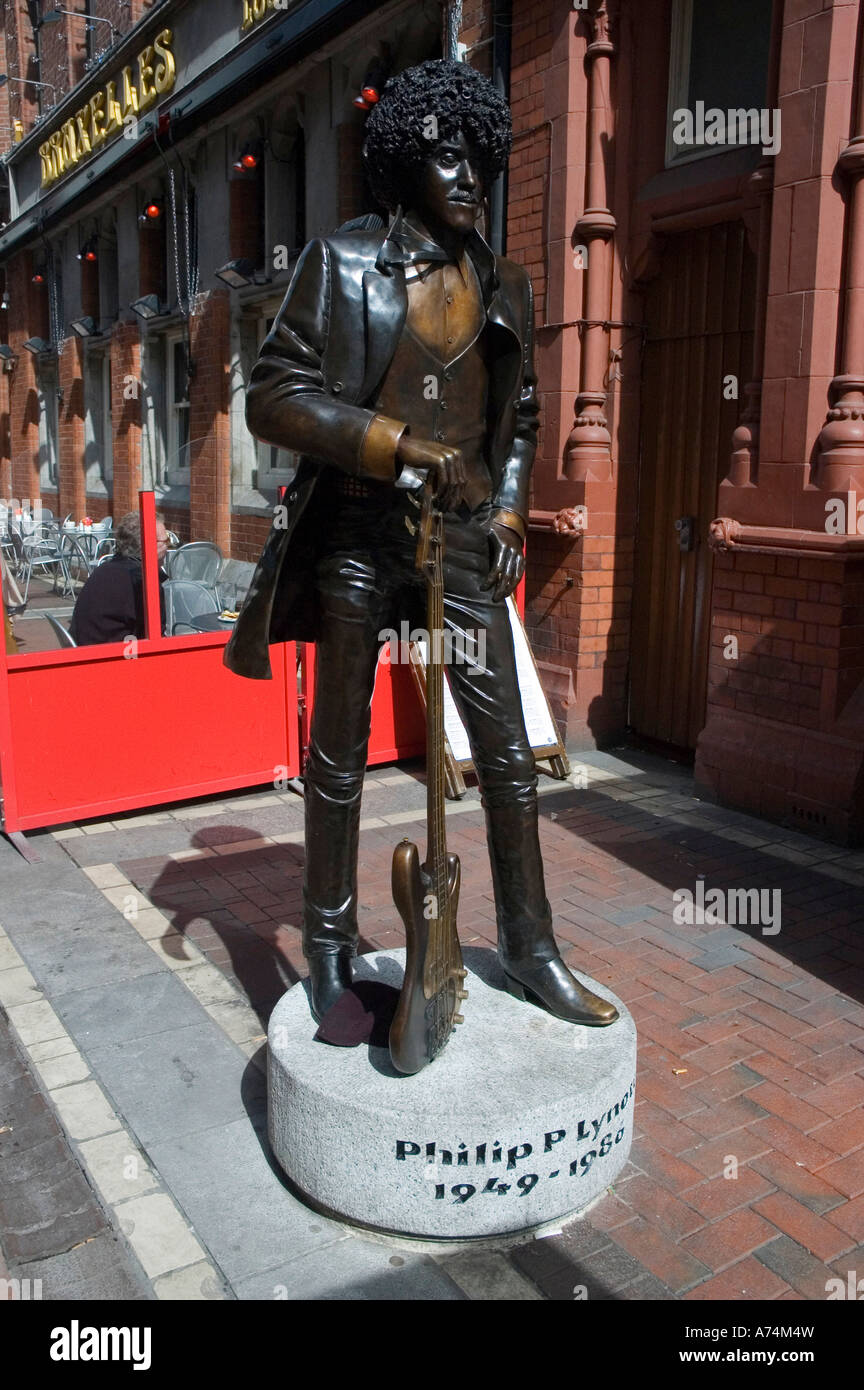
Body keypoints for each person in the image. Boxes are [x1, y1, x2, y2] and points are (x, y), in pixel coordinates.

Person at [225, 59, 618, 1029]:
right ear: (403, 165)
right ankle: (327, 948)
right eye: (445, 159)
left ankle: (531, 946)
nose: (466, 178)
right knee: (342, 753)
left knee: (510, 756)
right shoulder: (341, 263)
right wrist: (393, 442)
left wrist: (512, 508)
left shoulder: (504, 279)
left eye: (477, 160)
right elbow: (274, 395)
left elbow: (520, 414)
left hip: (461, 542)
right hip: (358, 538)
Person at [70, 512, 168, 646]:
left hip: (87, 651)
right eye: (165, 541)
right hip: (112, 659)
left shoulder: (104, 569)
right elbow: (155, 641)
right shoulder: (142, 582)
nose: (168, 547)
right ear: (151, 545)